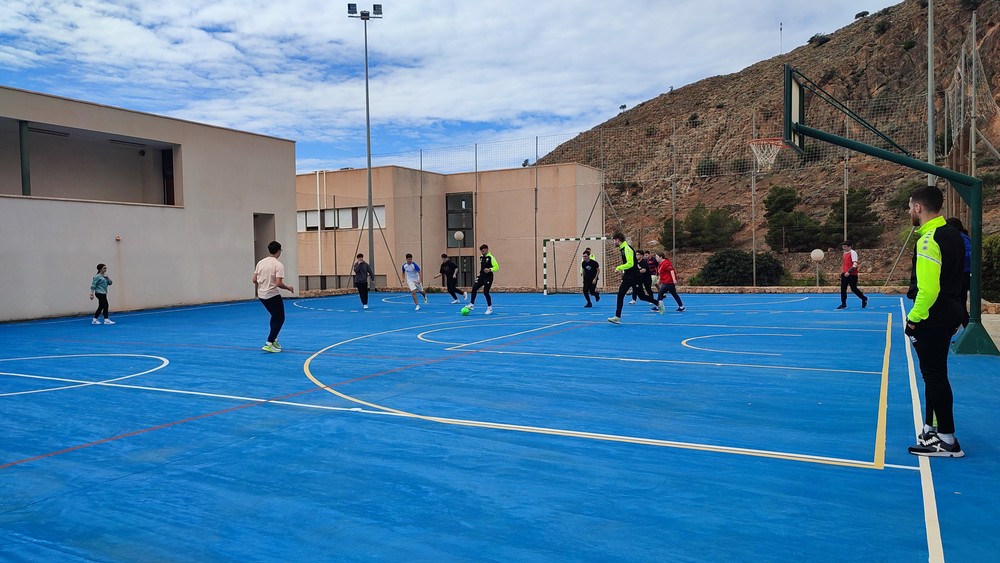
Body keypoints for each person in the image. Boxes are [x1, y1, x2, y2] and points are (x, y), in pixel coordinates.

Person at [905, 185, 966, 458]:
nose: (909, 211)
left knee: (934, 375)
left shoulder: (928, 240)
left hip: (933, 316)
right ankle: (934, 428)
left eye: (910, 206)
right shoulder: (953, 234)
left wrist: (913, 319)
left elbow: (928, 290)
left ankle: (946, 439)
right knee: (936, 374)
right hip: (950, 311)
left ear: (918, 207)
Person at [608, 233, 662, 324]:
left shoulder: (627, 249)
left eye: (614, 240)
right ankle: (617, 317)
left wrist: (619, 267)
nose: (613, 242)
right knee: (620, 295)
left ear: (618, 240)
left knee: (642, 296)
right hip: (627, 277)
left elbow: (630, 264)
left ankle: (658, 303)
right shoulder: (622, 249)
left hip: (635, 277)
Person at [253, 241, 294, 353]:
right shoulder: (278, 265)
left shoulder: (260, 262)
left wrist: (264, 283)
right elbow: (278, 283)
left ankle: (274, 339)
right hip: (272, 295)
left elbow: (254, 280)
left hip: (262, 295)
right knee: (280, 318)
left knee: (274, 316)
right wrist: (288, 287)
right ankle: (269, 343)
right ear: (279, 251)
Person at [945, 217, 972, 328]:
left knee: (959, 305)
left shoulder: (961, 238)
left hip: (962, 275)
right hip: (962, 275)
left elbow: (969, 255)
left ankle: (967, 332)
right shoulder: (962, 237)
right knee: (959, 305)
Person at [468, 244, 499, 315]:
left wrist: (490, 269)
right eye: (481, 251)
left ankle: (489, 307)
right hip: (481, 276)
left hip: (488, 277)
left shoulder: (491, 257)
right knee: (474, 287)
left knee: (485, 292)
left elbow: (497, 267)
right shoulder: (481, 257)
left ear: (487, 249)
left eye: (483, 251)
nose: (482, 252)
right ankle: (471, 304)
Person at [837, 241, 868, 310]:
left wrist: (849, 272)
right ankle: (843, 303)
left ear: (849, 247)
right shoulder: (845, 254)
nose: (844, 248)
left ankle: (864, 298)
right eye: (843, 246)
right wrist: (844, 272)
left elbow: (855, 264)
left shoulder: (853, 253)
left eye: (845, 246)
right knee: (843, 289)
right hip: (844, 274)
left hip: (852, 275)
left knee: (853, 288)